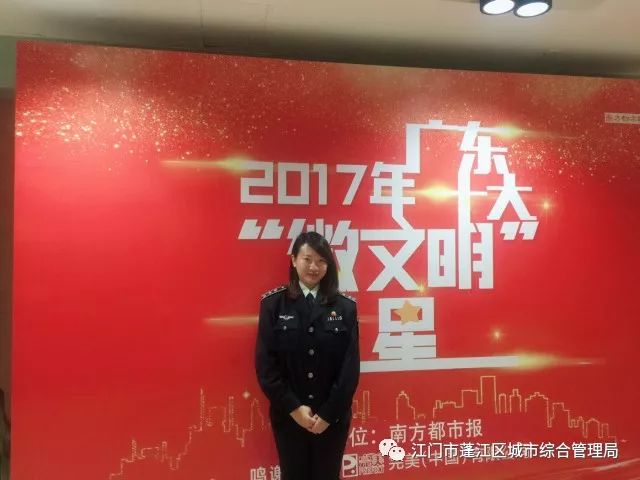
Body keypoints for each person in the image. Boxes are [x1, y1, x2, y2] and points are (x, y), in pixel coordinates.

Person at [255, 231, 360, 480]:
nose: (314, 267)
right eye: (307, 259)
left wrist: (328, 414)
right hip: (289, 417)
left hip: (332, 419)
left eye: (322, 261)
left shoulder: (345, 307)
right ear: (294, 260)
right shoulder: (273, 305)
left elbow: (350, 368)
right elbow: (266, 365)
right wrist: (293, 407)